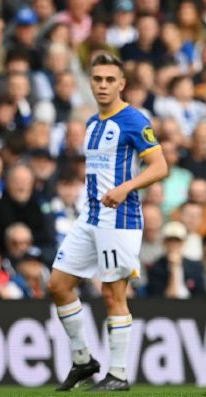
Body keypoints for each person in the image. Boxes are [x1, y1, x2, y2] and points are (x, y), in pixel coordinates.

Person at [47, 53, 168, 391]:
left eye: (109, 80)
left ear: (122, 84)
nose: (102, 85)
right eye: (97, 79)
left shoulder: (132, 120)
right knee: (58, 284)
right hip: (90, 217)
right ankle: (84, 361)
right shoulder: (91, 123)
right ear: (91, 82)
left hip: (121, 219)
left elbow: (160, 166)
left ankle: (118, 374)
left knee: (112, 293)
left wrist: (126, 187)